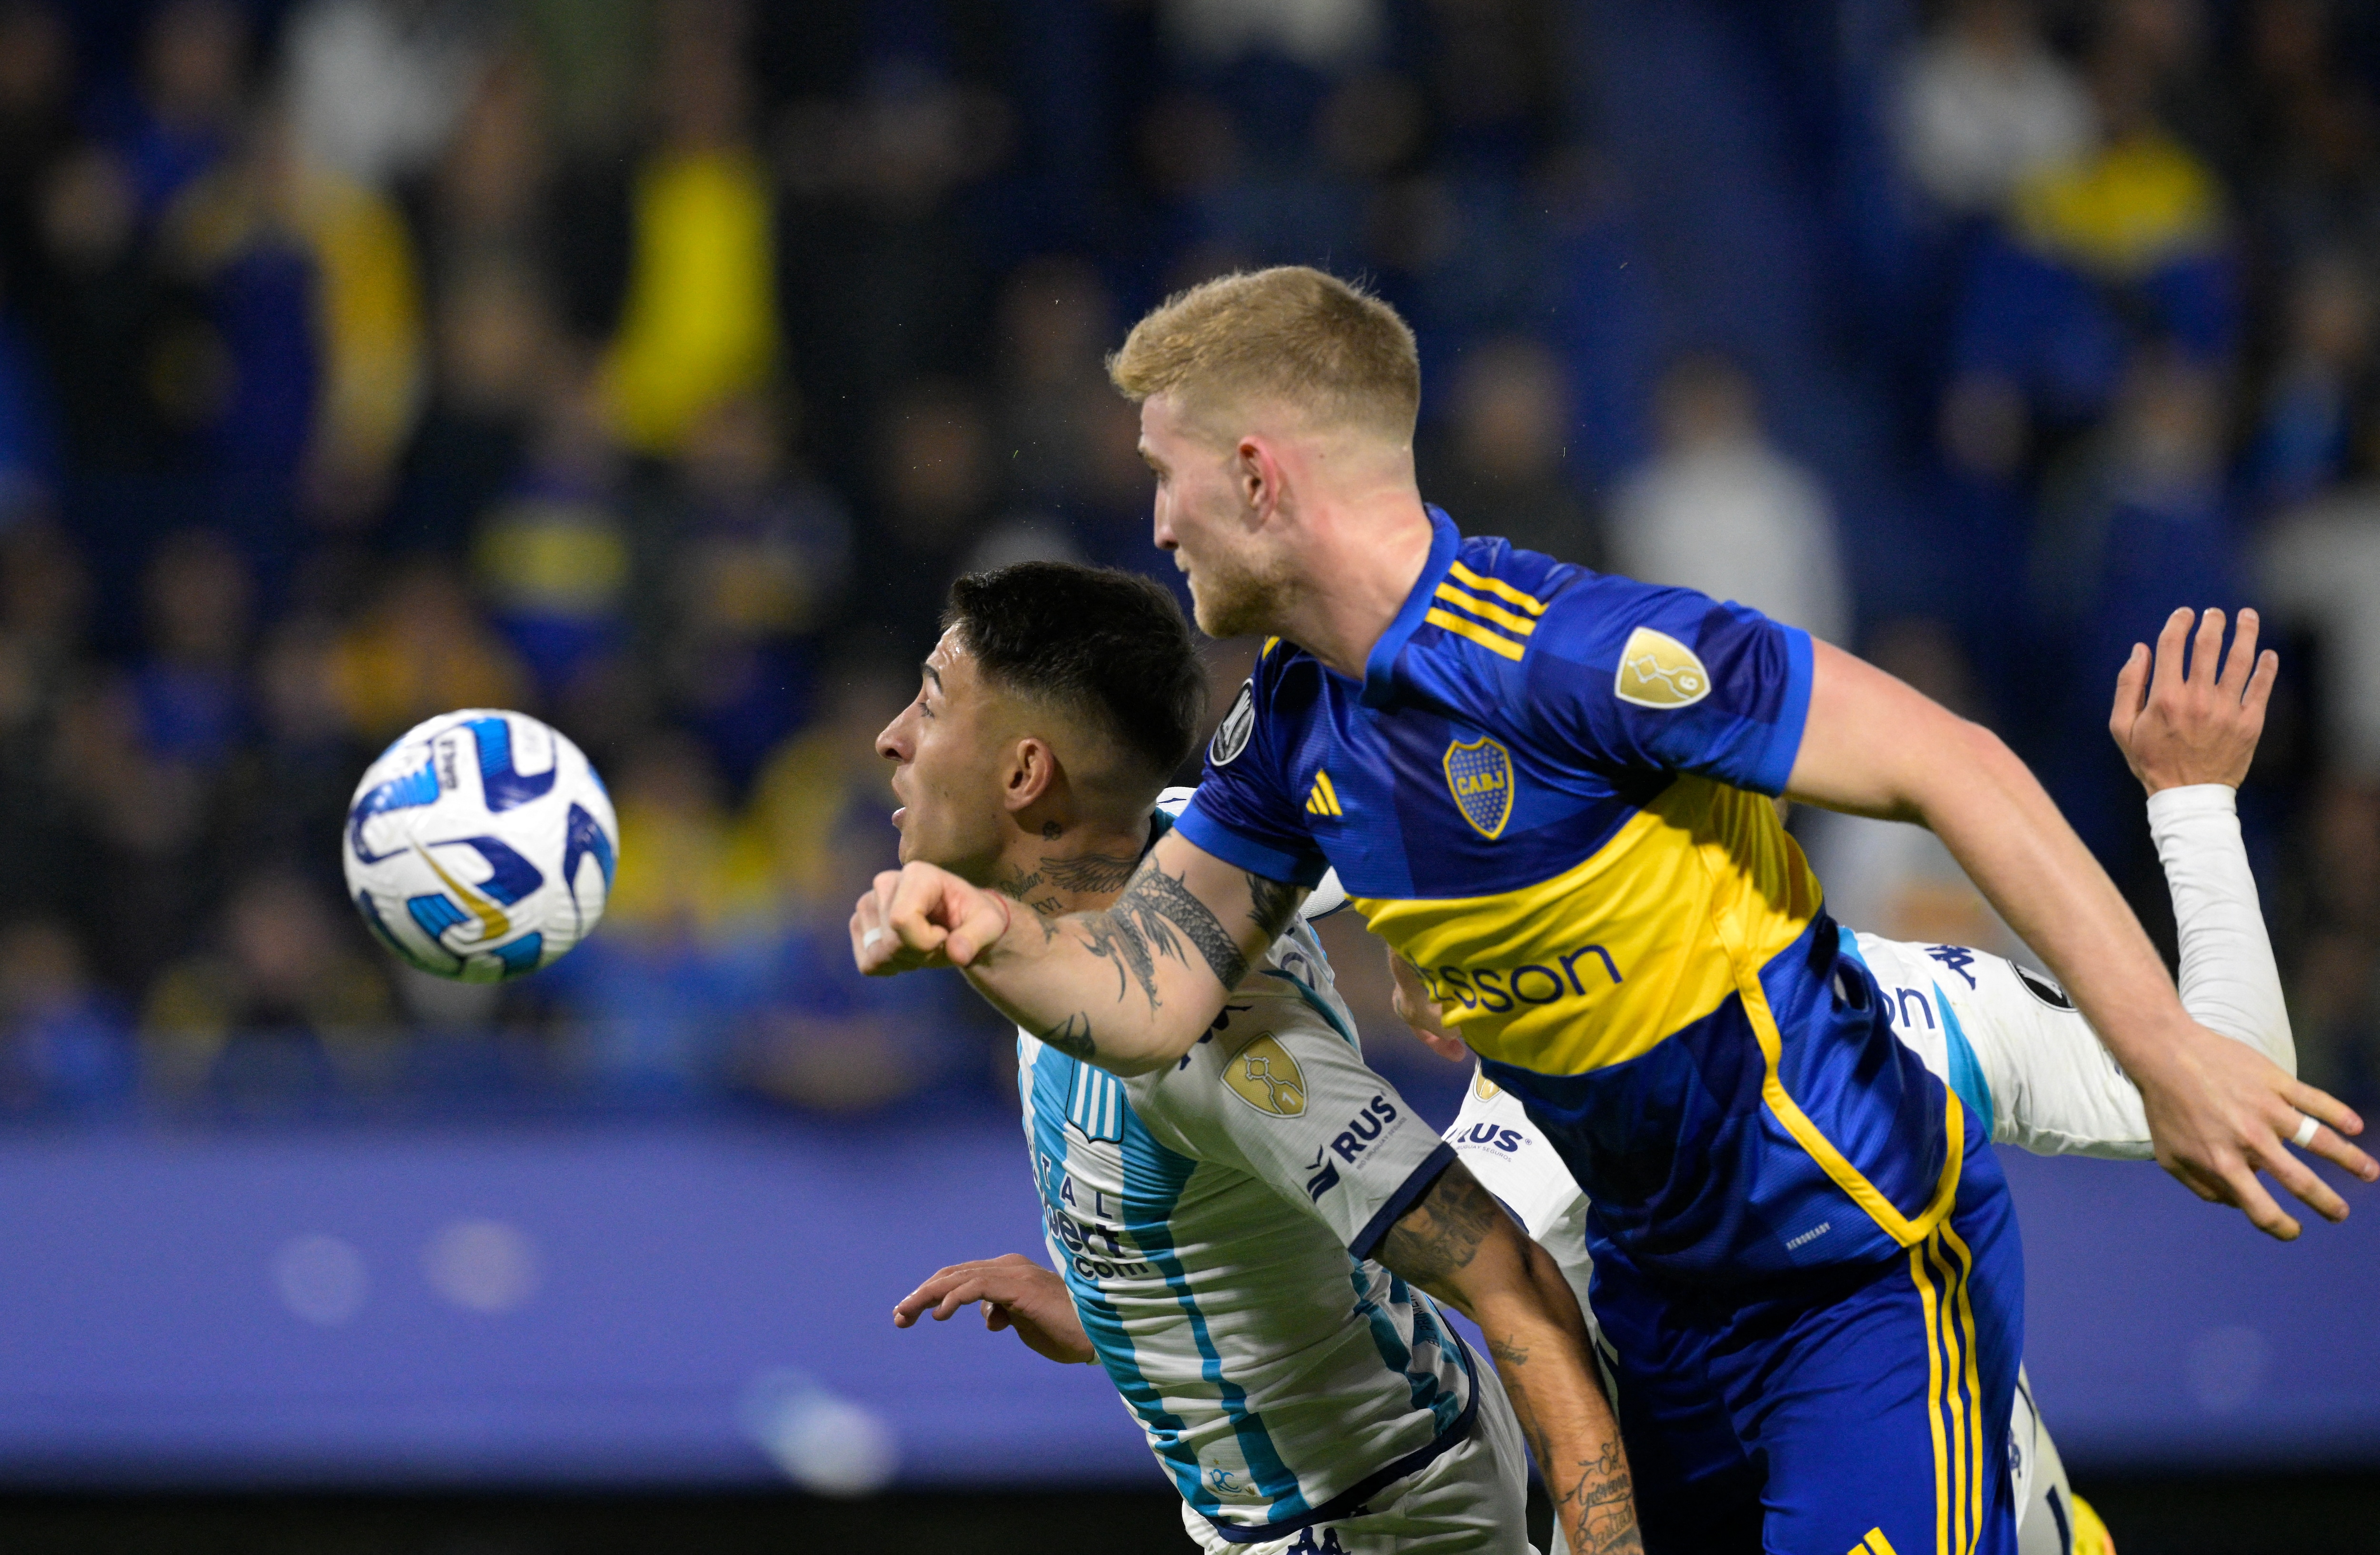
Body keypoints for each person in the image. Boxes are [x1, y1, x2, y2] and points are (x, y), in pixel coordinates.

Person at [852, 267, 2373, 1552]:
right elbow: (1153, 994)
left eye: (1165, 474)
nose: (1160, 522)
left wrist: (2172, 1053)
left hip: (1857, 1272)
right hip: (1660, 1304)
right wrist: (982, 937)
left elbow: (1948, 760)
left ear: (1259, 475)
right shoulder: (1295, 727)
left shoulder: (1577, 651)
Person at [1416, 609, 2285, 1555]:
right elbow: (2247, 1088)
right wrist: (2191, 802)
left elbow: (2241, 1095)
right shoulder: (1927, 999)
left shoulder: (1587, 1079)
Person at [878, 562, 1637, 1554]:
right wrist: (1117, 1309)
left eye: (932, 703)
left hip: (1370, 1528)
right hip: (1335, 1477)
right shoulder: (1153, 863)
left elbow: (1510, 1284)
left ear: (1026, 776)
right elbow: (1353, 815)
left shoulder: (1214, 1044)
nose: (892, 736)